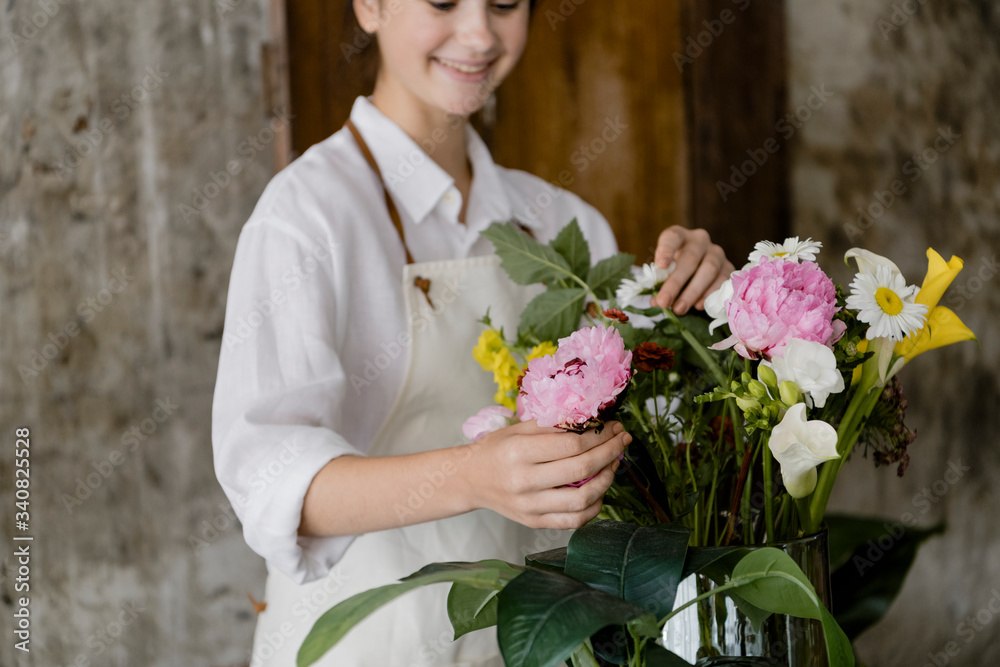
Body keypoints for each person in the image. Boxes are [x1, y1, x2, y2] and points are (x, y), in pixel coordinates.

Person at [211, 1, 734, 664]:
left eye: (506, 3)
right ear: (370, 6)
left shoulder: (557, 223)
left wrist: (709, 305)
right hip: (368, 645)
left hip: (538, 644)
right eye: (442, 1)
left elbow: (658, 432)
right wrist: (470, 475)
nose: (481, 33)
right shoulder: (305, 218)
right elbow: (271, 478)